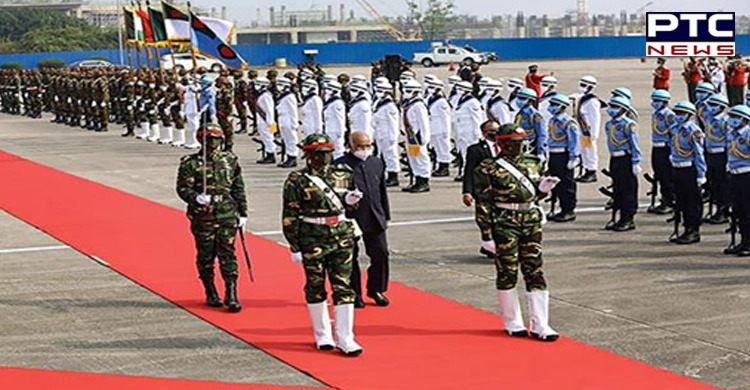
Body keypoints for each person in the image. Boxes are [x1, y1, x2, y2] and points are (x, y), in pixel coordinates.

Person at [474, 123, 561, 342]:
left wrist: (542, 190)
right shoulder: (487, 168)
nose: (519, 147)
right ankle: (512, 320)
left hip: (530, 220)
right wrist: (486, 235)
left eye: (520, 143)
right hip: (504, 222)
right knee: (508, 271)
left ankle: (541, 323)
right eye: (513, 143)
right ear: (502, 144)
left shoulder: (533, 163)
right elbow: (483, 203)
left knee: (535, 270)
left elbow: (532, 195)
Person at [282, 133, 364, 356]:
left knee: (343, 286)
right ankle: (322, 334)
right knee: (315, 286)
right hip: (312, 236)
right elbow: (290, 214)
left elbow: (350, 206)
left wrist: (351, 202)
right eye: (319, 154)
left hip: (340, 235)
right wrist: (294, 245)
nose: (324, 158)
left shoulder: (344, 173)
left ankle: (346, 337)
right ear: (308, 155)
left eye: (327, 153)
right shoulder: (296, 179)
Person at [176, 124, 248, 313]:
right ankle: (210, 290)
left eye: (216, 139)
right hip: (203, 215)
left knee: (228, 254)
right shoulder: (190, 163)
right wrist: (195, 197)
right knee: (206, 255)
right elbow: (183, 188)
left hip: (226, 212)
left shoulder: (230, 160)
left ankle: (231, 293)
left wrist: (243, 213)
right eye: (208, 139)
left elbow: (238, 188)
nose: (213, 143)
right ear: (201, 140)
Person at [335, 132, 392, 308]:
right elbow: (337, 192)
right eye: (360, 147)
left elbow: (381, 190)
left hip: (375, 215)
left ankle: (376, 289)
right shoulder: (340, 165)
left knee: (380, 253)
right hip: (352, 217)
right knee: (350, 257)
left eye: (367, 146)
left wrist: (386, 215)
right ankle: (354, 292)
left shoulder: (376, 162)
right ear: (350, 146)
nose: (364, 150)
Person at [669, 101, 707, 245]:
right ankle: (685, 228)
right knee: (681, 200)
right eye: (677, 113)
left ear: (689, 115)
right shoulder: (674, 129)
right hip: (677, 168)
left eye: (681, 113)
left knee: (692, 202)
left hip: (689, 169)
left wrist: (701, 175)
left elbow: (699, 154)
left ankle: (693, 230)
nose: (678, 116)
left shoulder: (694, 131)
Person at [463, 120, 500, 257]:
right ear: (484, 133)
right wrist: (467, 192)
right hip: (483, 191)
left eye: (497, 130)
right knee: (484, 220)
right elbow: (469, 172)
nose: (495, 133)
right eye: (492, 130)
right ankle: (488, 244)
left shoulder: (506, 147)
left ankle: (493, 246)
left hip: (502, 191)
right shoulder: (475, 150)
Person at [604, 96, 641, 231]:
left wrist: (636, 162)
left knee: (628, 190)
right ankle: (617, 216)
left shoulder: (629, 125)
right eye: (611, 106)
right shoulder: (609, 124)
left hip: (626, 159)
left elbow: (634, 145)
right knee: (617, 189)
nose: (611, 110)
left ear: (623, 109)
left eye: (615, 107)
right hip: (615, 158)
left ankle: (628, 218)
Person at [546, 93, 579, 222]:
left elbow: (574, 142)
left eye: (554, 105)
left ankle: (568, 209)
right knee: (554, 182)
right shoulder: (553, 120)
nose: (551, 107)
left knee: (566, 184)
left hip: (564, 154)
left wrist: (573, 158)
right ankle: (557, 207)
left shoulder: (568, 122)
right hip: (553, 154)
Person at [724, 105, 750, 256]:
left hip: (747, 175)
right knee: (738, 210)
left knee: (747, 210)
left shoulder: (747, 134)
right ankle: (743, 240)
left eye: (736, 117)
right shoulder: (732, 134)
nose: (732, 120)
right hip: (734, 174)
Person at [703, 93, 731, 224]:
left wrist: (729, 160)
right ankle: (716, 209)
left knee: (722, 184)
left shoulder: (725, 121)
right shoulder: (709, 119)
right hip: (710, 154)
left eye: (714, 105)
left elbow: (730, 141)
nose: (711, 107)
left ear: (722, 107)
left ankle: (724, 211)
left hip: (721, 154)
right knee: (713, 183)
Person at [648, 89, 676, 215]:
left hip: (666, 147)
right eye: (654, 100)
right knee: (658, 174)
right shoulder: (655, 114)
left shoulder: (669, 115)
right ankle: (664, 198)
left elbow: (673, 134)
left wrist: (673, 152)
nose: (654, 103)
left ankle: (669, 201)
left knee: (666, 177)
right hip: (657, 147)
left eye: (657, 101)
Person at [401, 79, 432, 193]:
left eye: (409, 90)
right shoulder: (410, 103)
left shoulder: (419, 105)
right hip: (410, 136)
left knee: (421, 158)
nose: (406, 93)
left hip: (417, 136)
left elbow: (423, 123)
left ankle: (424, 181)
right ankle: (417, 179)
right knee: (413, 158)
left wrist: (424, 139)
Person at [372, 79, 401, 187]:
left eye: (380, 90)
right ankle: (384, 175)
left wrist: (393, 137)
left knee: (391, 156)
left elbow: (393, 123)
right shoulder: (379, 102)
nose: (378, 92)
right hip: (380, 133)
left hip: (388, 135)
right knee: (382, 155)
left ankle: (393, 176)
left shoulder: (390, 106)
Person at [574, 76, 602, 183]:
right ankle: (586, 170)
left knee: (590, 151)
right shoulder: (582, 98)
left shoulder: (592, 101)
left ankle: (591, 171)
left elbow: (595, 118)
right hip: (582, 131)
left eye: (584, 85)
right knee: (584, 151)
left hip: (588, 132)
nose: (581, 87)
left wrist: (593, 134)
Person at [453, 81, 483, 181]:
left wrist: (478, 134)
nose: (458, 90)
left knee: (470, 155)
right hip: (462, 132)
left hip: (470, 133)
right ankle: (464, 172)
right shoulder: (460, 100)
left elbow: (477, 119)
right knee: (463, 153)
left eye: (460, 88)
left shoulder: (473, 102)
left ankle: (470, 174)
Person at [426, 77, 453, 177]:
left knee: (443, 148)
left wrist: (446, 131)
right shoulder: (431, 98)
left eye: (432, 87)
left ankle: (444, 167)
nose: (430, 89)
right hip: (434, 129)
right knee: (437, 148)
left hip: (441, 129)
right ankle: (440, 166)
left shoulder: (442, 102)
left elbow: (445, 117)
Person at [514, 87, 547, 162]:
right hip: (520, 147)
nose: (519, 100)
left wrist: (540, 152)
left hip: (531, 147)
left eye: (522, 98)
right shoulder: (520, 113)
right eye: (519, 97)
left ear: (530, 101)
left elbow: (541, 134)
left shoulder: (535, 115)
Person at [276, 77, 300, 168]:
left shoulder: (289, 97)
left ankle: (292, 157)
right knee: (285, 140)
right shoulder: (283, 96)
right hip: (282, 120)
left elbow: (293, 111)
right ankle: (288, 157)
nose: (278, 87)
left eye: (280, 84)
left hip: (289, 121)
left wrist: (294, 124)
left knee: (291, 140)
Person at [254, 76, 277, 164]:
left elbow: (269, 110)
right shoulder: (261, 95)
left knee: (268, 138)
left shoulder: (266, 96)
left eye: (258, 84)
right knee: (265, 138)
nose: (256, 86)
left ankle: (270, 155)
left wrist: (270, 124)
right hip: (262, 121)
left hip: (267, 122)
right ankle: (268, 154)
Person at [323, 80, 347, 159]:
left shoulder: (337, 103)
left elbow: (340, 119)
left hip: (335, 131)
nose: (326, 91)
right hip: (330, 130)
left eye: (329, 89)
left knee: (338, 151)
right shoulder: (331, 102)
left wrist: (340, 133)